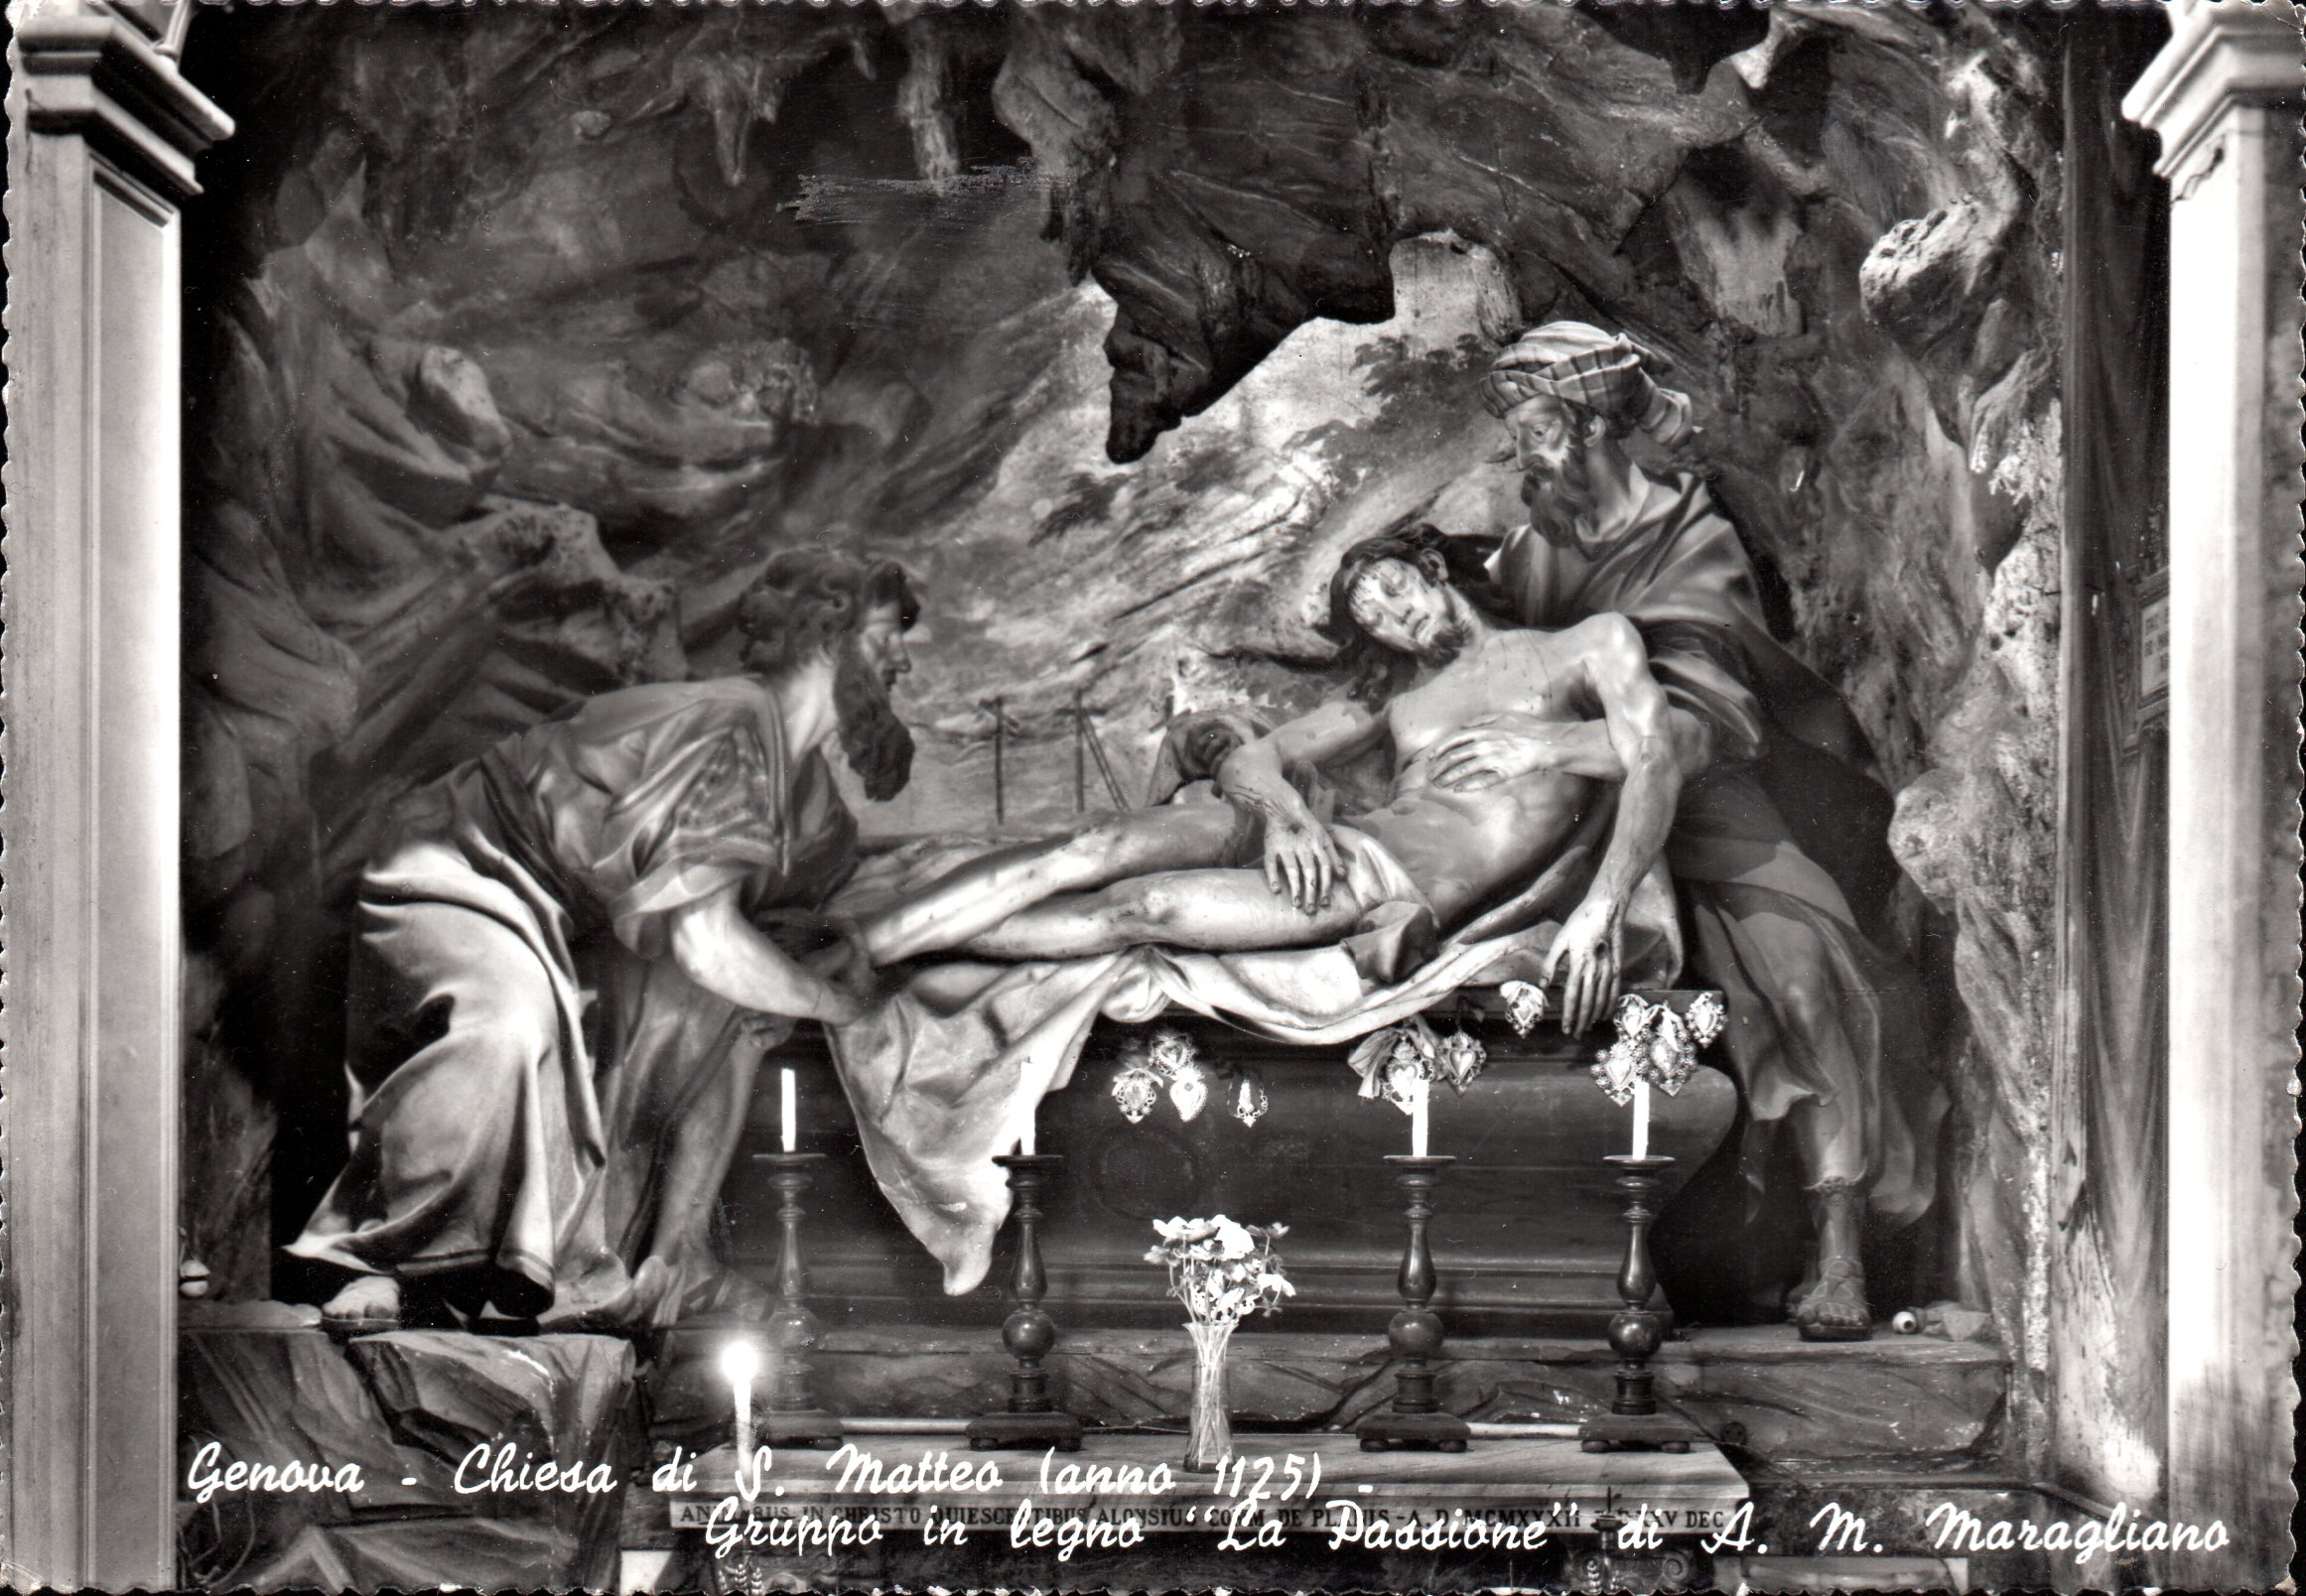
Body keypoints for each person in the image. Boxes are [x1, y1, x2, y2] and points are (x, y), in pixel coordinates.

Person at [1424, 321, 1948, 1340]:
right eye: (1516, 436)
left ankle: (1837, 1253)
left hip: (1706, 809)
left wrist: (1549, 747)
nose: (1521, 456)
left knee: (1805, 983)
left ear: (1592, 427)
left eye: (1536, 431)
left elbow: (1708, 729)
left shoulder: (1690, 535)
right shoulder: (1526, 557)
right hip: (1562, 821)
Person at [288, 548, 917, 1334]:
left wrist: (822, 960)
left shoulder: (806, 789)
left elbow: (742, 937)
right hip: (458, 866)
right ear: (829, 637)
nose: (902, 660)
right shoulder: (730, 724)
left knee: (683, 1014)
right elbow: (709, 943)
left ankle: (619, 1266)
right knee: (507, 1022)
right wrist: (846, 1006)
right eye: (887, 636)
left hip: (552, 918)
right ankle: (381, 1263)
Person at [853, 526, 1681, 1038]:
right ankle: (860, 943)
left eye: (1394, 592)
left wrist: (1599, 899)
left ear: (1432, 567)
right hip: (1321, 839)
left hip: (1379, 882)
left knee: (1144, 908)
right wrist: (1287, 818)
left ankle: (909, 948)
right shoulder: (1395, 696)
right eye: (1372, 620)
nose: (1395, 620)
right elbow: (1253, 759)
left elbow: (1655, 758)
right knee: (1092, 845)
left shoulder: (1586, 644)